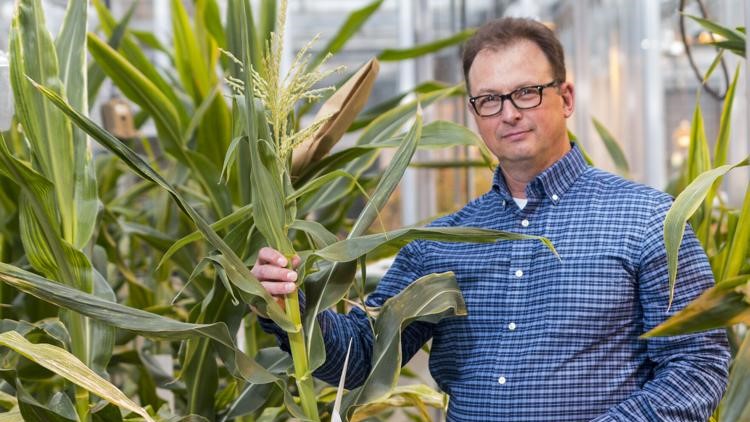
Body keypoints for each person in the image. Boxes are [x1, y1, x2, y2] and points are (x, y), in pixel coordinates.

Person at [253, 17, 729, 421]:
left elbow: (698, 363)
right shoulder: (439, 242)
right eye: (490, 100)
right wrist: (287, 302)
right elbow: (362, 357)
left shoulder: (649, 220)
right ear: (475, 113)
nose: (509, 114)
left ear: (565, 98)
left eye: (525, 93)